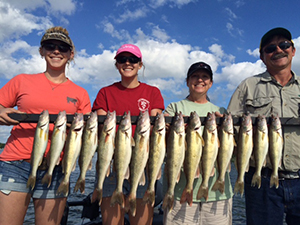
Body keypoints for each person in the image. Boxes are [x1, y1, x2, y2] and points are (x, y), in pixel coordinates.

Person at [0, 26, 91, 225]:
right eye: (50, 46)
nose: (56, 51)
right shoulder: (21, 81)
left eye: (62, 47)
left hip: (57, 167)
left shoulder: (81, 93)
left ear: (71, 54)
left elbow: (85, 135)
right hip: (15, 163)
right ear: (41, 51)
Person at [227, 27, 300, 225]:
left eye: (284, 45)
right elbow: (230, 129)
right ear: (262, 56)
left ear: (292, 50)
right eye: (270, 48)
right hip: (261, 179)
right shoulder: (247, 86)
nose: (278, 50)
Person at [92, 43, 165, 225]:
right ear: (117, 64)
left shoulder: (153, 92)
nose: (127, 63)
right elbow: (102, 131)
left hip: (142, 163)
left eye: (132, 59)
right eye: (122, 59)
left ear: (140, 65)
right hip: (111, 162)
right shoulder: (105, 93)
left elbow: (158, 126)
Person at [163, 61, 233, 225]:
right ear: (187, 81)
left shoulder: (221, 112)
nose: (200, 80)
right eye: (195, 76)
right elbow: (164, 145)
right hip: (180, 193)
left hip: (218, 194)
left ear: (211, 83)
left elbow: (229, 150)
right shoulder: (174, 108)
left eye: (204, 77)